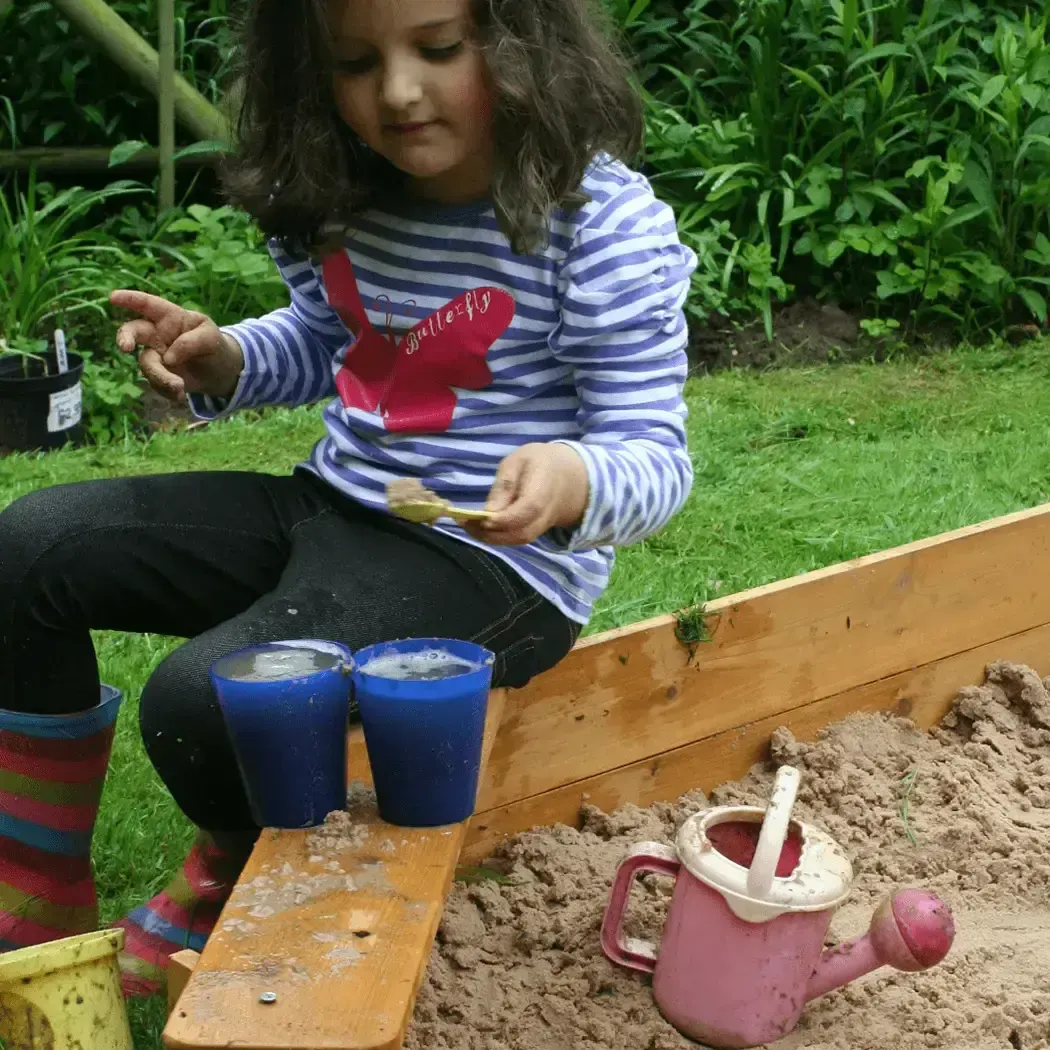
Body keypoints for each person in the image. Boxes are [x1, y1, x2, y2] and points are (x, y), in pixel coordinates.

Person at [0, 0, 696, 997]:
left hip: (494, 566)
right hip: (336, 507)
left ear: (521, 43)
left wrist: (576, 478)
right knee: (30, 547)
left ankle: (235, 881)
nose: (398, 91)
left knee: (202, 702)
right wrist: (226, 358)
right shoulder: (358, 193)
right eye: (355, 63)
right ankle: (31, 891)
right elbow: (335, 343)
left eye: (439, 49)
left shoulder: (598, 224)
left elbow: (655, 455)